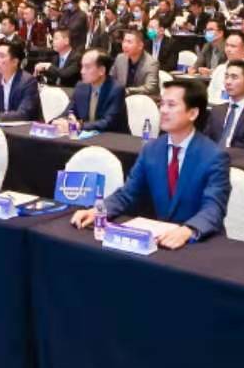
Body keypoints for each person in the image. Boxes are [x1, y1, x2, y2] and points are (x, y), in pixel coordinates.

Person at [70, 81, 231, 248]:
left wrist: (188, 230)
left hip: (200, 242)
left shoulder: (214, 156)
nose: (163, 110)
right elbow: (127, 194)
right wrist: (98, 210)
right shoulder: (152, 149)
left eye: (171, 105)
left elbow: (214, 208)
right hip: (163, 240)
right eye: (162, 104)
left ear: (192, 113)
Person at [61, 49, 128, 134]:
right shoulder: (81, 87)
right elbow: (69, 111)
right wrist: (61, 121)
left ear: (101, 71)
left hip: (114, 138)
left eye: (87, 67)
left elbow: (108, 123)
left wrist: (79, 125)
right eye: (82, 66)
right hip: (86, 136)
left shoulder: (116, 89)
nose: (82, 71)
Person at [0, 40, 42, 121]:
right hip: (1, 125)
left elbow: (24, 114)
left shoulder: (28, 82)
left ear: (15, 62)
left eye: (2, 56)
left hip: (24, 127)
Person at [111, 28, 162, 97]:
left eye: (129, 42)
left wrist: (128, 90)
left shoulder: (151, 63)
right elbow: (111, 78)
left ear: (140, 46)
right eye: (124, 41)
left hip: (144, 99)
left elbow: (150, 88)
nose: (125, 45)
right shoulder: (120, 58)